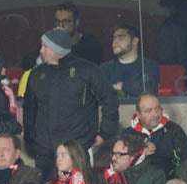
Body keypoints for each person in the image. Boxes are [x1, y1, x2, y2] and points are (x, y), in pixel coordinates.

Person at [22, 28, 117, 165]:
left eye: (45, 46)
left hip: (76, 149)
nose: (41, 51)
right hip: (44, 151)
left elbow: (110, 99)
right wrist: (30, 139)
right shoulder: (37, 74)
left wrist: (105, 133)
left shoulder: (87, 70)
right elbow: (29, 108)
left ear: (58, 50)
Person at [101, 23, 161, 101]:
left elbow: (149, 91)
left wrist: (122, 86)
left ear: (134, 41)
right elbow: (101, 95)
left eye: (120, 38)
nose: (114, 42)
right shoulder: (105, 68)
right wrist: (132, 87)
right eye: (114, 38)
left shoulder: (149, 66)